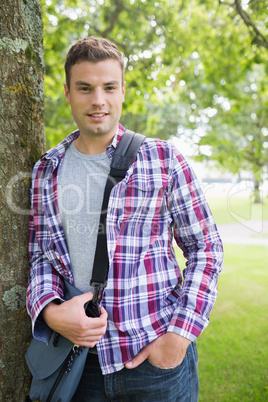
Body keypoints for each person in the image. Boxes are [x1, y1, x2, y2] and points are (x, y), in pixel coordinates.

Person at [26, 36, 223, 401]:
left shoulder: (163, 159)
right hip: (80, 363)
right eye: (85, 88)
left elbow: (206, 248)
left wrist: (179, 336)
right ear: (68, 93)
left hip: (154, 361)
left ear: (122, 91)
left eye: (108, 87)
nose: (98, 100)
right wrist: (50, 313)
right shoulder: (46, 171)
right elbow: (41, 255)